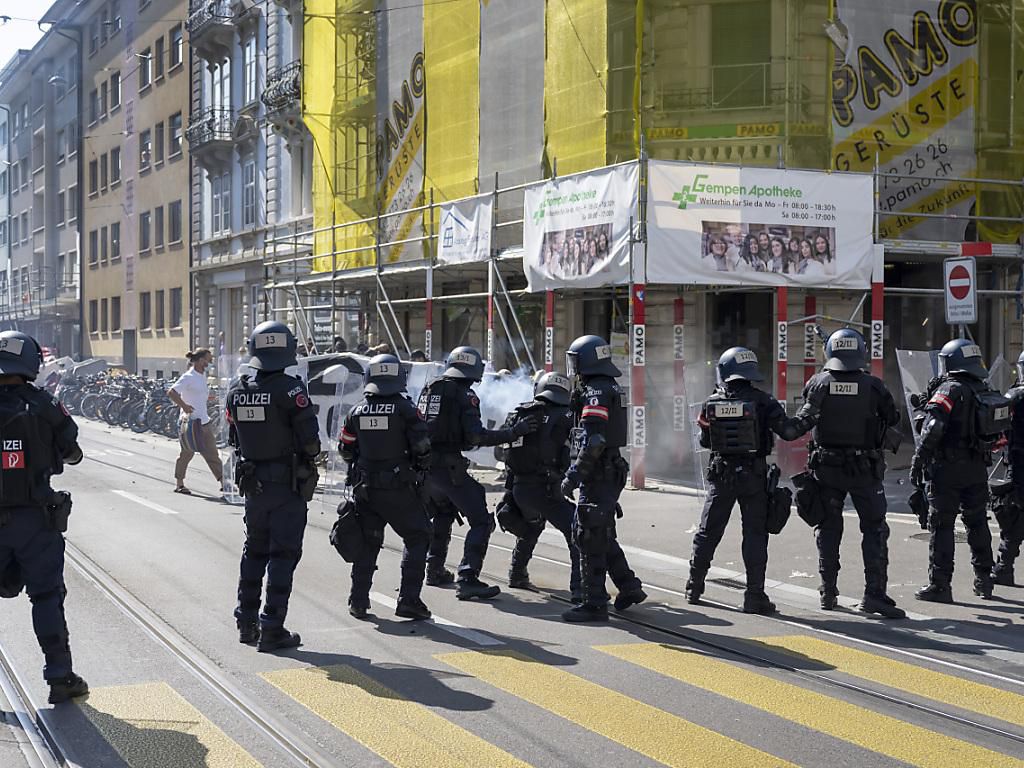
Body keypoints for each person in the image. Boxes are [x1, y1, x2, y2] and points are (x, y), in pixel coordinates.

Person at [686, 346, 818, 614]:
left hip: (721, 475)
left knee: (708, 531)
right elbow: (790, 432)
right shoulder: (764, 401)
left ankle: (694, 587)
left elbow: (704, 439)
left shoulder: (711, 402)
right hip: (753, 476)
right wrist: (811, 414)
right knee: (755, 535)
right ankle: (754, 596)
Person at [0, 331, 88, 704]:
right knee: (47, 597)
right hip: (34, 520)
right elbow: (72, 451)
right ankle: (59, 677)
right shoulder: (44, 403)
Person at [228, 322, 321, 651]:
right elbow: (312, 443)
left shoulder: (237, 391)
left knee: (254, 550)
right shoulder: (291, 390)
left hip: (254, 485)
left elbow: (233, 439)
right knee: (282, 555)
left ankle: (246, 621)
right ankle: (272, 626)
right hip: (286, 486)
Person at [418, 346, 538, 599]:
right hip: (449, 468)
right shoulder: (465, 395)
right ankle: (468, 577)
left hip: (426, 468)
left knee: (442, 513)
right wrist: (514, 433)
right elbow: (475, 437)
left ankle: (434, 568)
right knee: (481, 521)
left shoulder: (431, 388)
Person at [803, 329, 904, 618]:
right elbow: (893, 417)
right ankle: (874, 595)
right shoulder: (874, 386)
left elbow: (806, 410)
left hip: (828, 468)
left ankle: (828, 591)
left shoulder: (817, 382)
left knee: (828, 527)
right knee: (874, 528)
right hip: (864, 469)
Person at [910, 339, 1007, 602]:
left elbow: (933, 429)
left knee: (941, 526)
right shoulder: (983, 389)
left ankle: (940, 585)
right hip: (976, 468)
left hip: (947, 469)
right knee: (977, 523)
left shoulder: (950, 389)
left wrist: (919, 460)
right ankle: (984, 580)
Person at [560, 335, 646, 622]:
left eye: (575, 359)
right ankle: (628, 585)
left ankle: (594, 603)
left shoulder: (595, 389)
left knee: (588, 535)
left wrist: (573, 476)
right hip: (609, 469)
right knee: (601, 531)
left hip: (599, 471)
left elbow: (594, 440)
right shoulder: (609, 385)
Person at [340, 354, 433, 621]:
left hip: (366, 488)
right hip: (399, 489)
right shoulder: (405, 409)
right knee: (418, 537)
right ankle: (409, 600)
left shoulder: (356, 410)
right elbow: (423, 448)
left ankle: (358, 600)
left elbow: (345, 449)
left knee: (368, 542)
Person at [500, 372, 582, 598]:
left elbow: (500, 451)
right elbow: (571, 457)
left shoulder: (519, 412)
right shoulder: (564, 417)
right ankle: (580, 588)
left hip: (517, 487)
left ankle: (517, 572)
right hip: (545, 487)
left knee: (532, 525)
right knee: (577, 530)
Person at [168, 349, 223, 495]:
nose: (209, 363)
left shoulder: (202, 376)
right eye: (208, 360)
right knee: (187, 453)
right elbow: (171, 392)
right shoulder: (189, 377)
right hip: (190, 423)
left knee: (212, 453)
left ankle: (225, 483)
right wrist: (184, 406)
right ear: (200, 361)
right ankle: (179, 483)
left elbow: (198, 396)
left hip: (204, 421)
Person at [994, 349, 1024, 586]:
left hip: (1019, 463)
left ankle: (1004, 567)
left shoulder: (1014, 395)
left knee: (1014, 515)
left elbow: (997, 428)